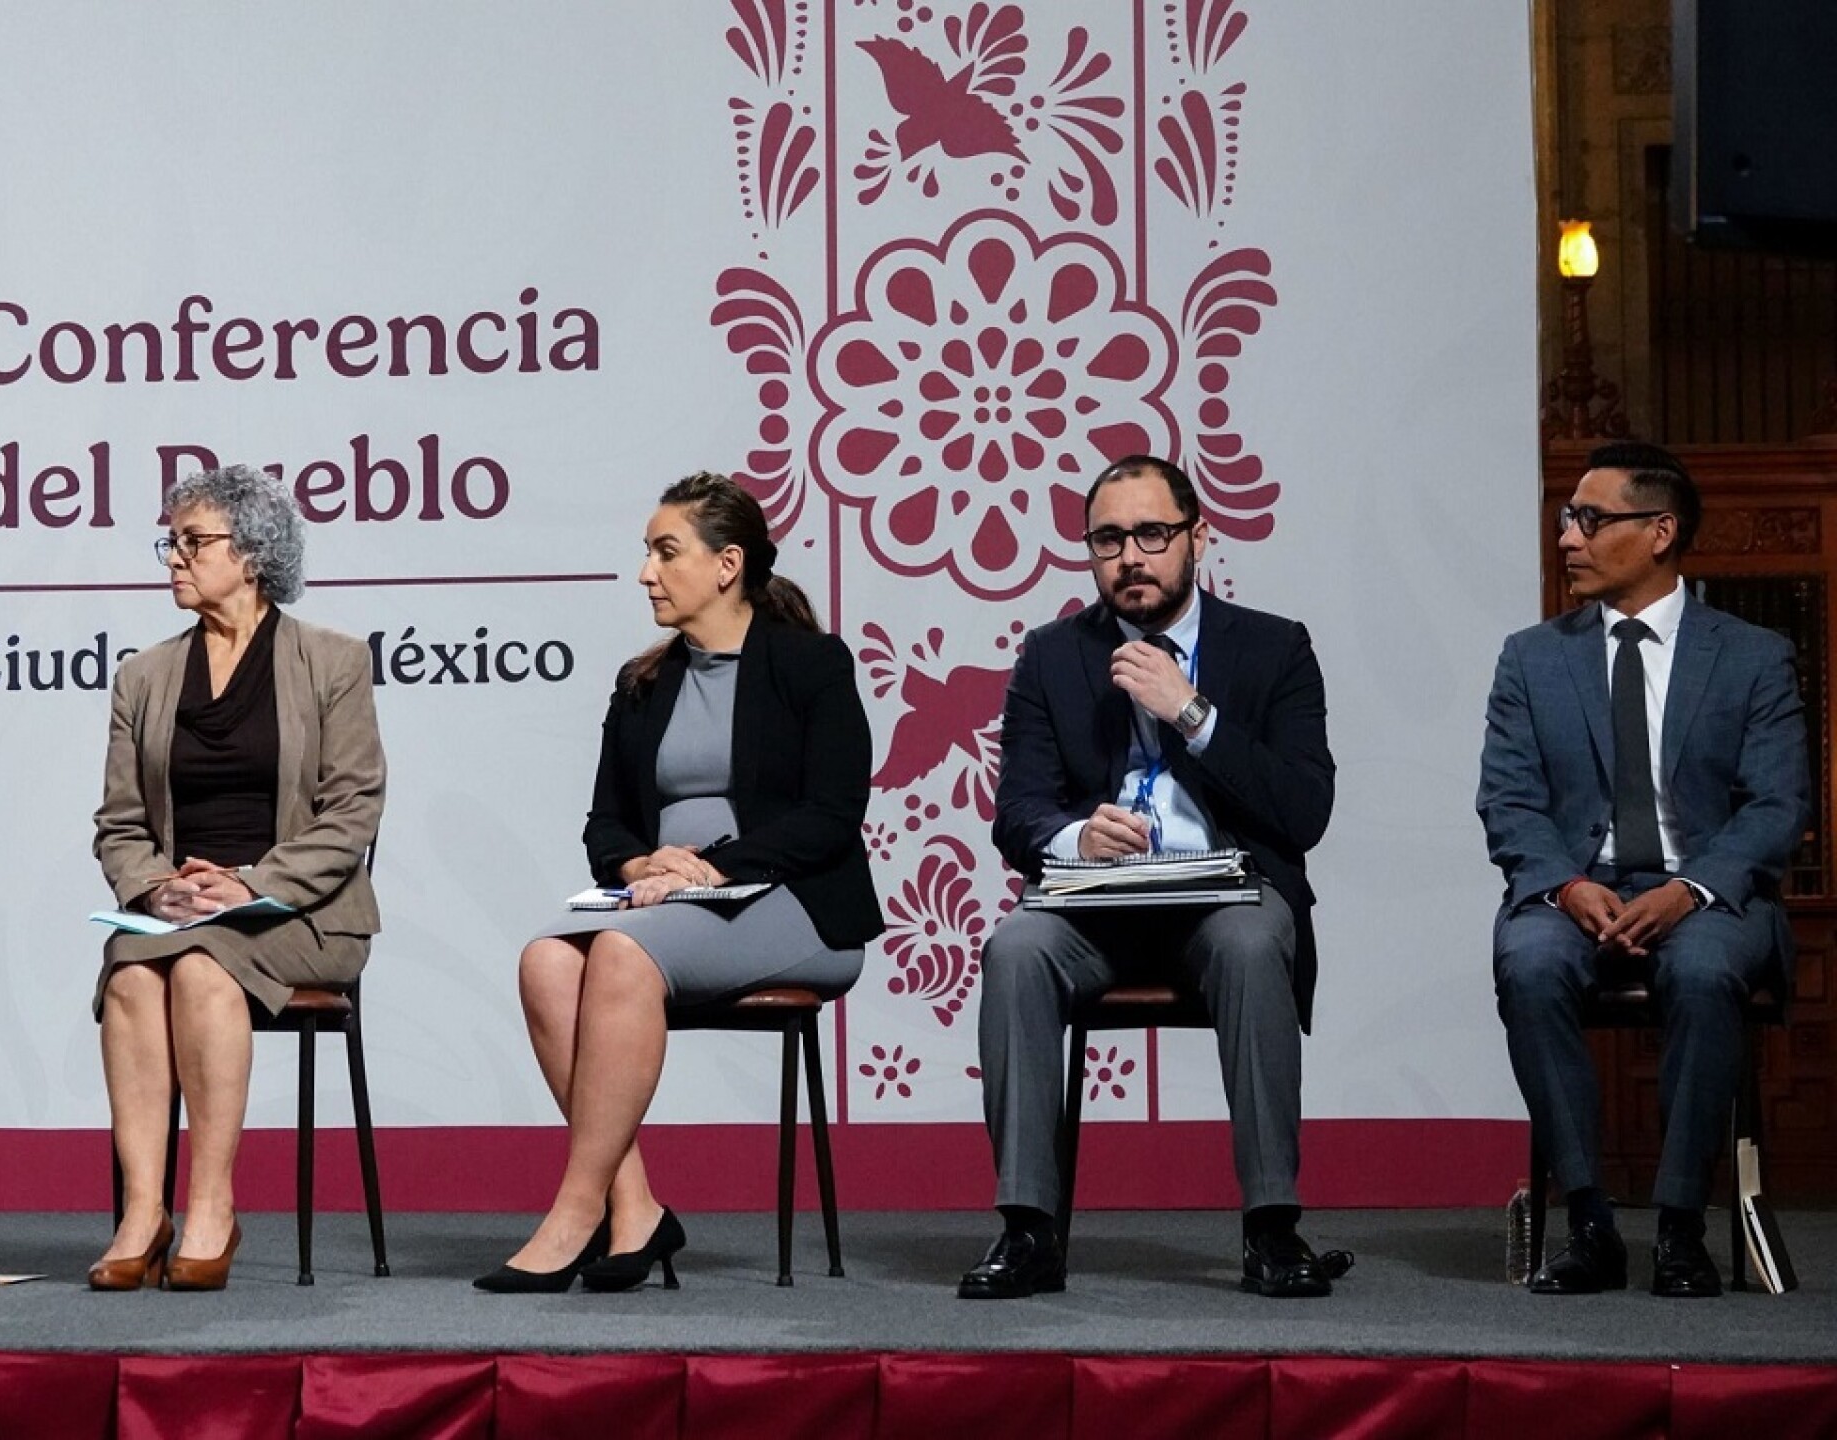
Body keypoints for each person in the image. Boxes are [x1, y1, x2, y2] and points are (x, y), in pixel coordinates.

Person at [475, 471, 881, 1294]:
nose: (645, 572)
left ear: (727, 564)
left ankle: (573, 1211)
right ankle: (635, 1208)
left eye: (666, 552)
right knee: (546, 962)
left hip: (796, 907)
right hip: (669, 907)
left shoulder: (811, 665)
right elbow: (605, 825)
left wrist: (713, 866)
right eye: (647, 553)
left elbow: (833, 815)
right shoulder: (643, 683)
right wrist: (639, 865)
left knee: (621, 953)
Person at [965, 455, 1339, 1301]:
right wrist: (1072, 836)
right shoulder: (1054, 655)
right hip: (1099, 912)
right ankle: (1027, 1230)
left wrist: (1191, 713)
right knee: (1017, 948)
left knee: (1249, 945)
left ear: (1198, 536)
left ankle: (1273, 1230)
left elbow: (1303, 811)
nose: (1130, 556)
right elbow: (1016, 812)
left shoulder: (1274, 647)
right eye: (1108, 539)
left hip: (1225, 902)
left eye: (1151, 534)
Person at [1479, 441, 1806, 1299]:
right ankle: (1590, 1223)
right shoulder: (1532, 657)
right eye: (1566, 519)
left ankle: (1678, 1228)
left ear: (1660, 531)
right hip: (1574, 889)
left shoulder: (1752, 656)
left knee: (1702, 971)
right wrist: (1567, 884)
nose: (1568, 539)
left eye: (1591, 519)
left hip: (1705, 894)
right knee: (1531, 959)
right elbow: (1509, 802)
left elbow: (1776, 806)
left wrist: (1689, 889)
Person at [91, 464, 384, 1292]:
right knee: (132, 974)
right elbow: (118, 824)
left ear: (252, 554)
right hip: (179, 911)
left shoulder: (333, 661)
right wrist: (155, 889)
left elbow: (353, 810)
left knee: (198, 965)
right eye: (171, 542)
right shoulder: (144, 676)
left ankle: (212, 1202)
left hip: (306, 912)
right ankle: (144, 1212)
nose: (174, 559)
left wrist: (252, 883)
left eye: (194, 542)